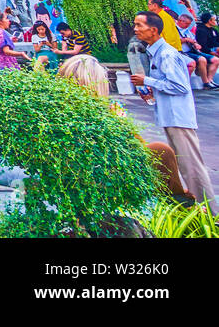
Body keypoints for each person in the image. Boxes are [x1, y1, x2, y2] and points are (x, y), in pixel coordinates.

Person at [59, 54, 190, 202]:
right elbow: (133, 152)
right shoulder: (95, 116)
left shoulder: (55, 113)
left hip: (101, 180)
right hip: (108, 182)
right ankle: (181, 205)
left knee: (160, 153)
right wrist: (121, 125)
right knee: (161, 151)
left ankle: (181, 201)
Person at [131, 11, 217, 211]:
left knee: (192, 169)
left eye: (139, 25)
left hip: (179, 118)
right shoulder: (157, 52)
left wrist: (148, 81)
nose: (135, 29)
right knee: (186, 167)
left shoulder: (167, 54)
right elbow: (168, 83)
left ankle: (211, 216)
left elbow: (180, 86)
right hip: (171, 117)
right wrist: (151, 89)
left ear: (153, 30)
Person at [178, 12, 219, 87]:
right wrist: (186, 40)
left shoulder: (213, 30)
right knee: (201, 59)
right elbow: (172, 41)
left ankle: (210, 80)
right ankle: (205, 82)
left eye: (189, 24)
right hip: (182, 51)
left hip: (193, 50)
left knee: (215, 60)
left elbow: (194, 40)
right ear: (180, 21)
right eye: (186, 23)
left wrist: (195, 44)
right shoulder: (174, 29)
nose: (188, 26)